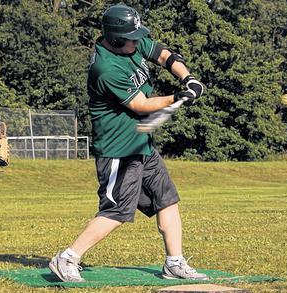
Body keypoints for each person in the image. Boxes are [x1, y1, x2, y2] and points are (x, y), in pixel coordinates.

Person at [49, 4, 208, 282]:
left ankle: (174, 263)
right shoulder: (106, 68)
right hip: (118, 150)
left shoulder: (131, 41)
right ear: (115, 38)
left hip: (142, 145)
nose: (138, 42)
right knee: (117, 210)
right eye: (132, 38)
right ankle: (67, 258)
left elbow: (163, 54)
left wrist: (187, 77)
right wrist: (178, 97)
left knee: (166, 200)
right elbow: (141, 104)